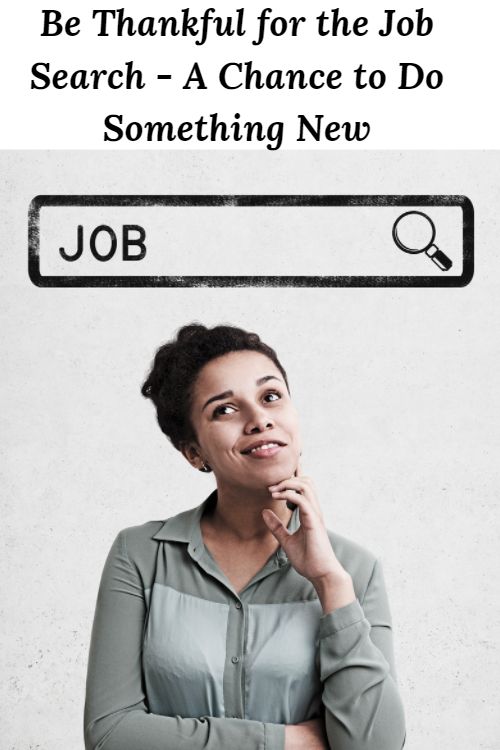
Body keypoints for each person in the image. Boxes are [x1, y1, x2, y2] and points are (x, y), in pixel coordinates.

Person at [84, 323, 406, 750]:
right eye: (224, 410)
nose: (259, 420)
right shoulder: (141, 556)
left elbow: (376, 747)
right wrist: (287, 742)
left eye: (271, 396)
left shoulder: (354, 571)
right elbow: (109, 735)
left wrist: (330, 584)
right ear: (193, 451)